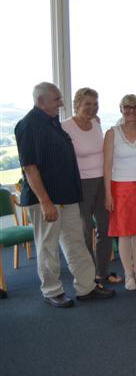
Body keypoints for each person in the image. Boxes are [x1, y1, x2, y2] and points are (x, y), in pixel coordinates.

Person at [15, 82, 115, 307]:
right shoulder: (28, 126)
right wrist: (45, 202)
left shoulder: (53, 122)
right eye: (57, 99)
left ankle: (86, 287)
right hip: (46, 200)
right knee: (48, 246)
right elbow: (30, 168)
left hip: (67, 196)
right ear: (41, 101)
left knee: (76, 242)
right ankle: (52, 291)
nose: (61, 103)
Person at [61, 87, 121, 286]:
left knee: (105, 229)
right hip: (81, 184)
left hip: (102, 181)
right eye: (87, 103)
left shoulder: (96, 123)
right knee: (85, 232)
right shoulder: (65, 126)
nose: (92, 108)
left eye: (95, 104)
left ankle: (102, 272)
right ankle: (89, 277)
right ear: (77, 104)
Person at [104, 94, 136, 291]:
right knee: (124, 234)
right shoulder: (112, 133)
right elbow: (107, 167)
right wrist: (108, 194)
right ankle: (128, 275)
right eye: (127, 107)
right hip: (120, 188)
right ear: (121, 109)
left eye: (135, 107)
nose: (131, 111)